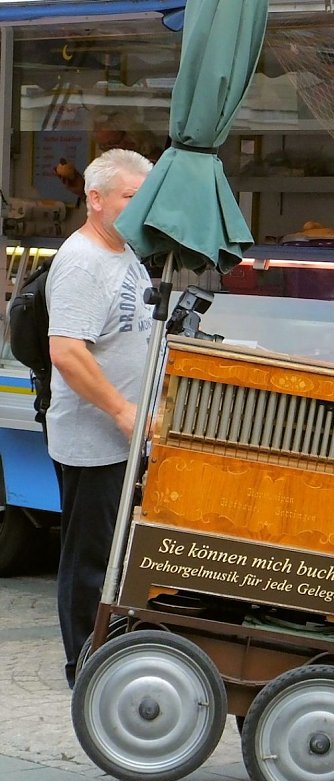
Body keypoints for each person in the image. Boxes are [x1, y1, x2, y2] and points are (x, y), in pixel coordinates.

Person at [46, 148, 154, 690]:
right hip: (96, 440)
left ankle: (109, 657)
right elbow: (66, 351)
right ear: (95, 199)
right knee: (89, 563)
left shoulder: (126, 251)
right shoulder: (82, 261)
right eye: (131, 197)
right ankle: (84, 672)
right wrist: (120, 408)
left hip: (126, 437)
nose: (140, 208)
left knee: (116, 560)